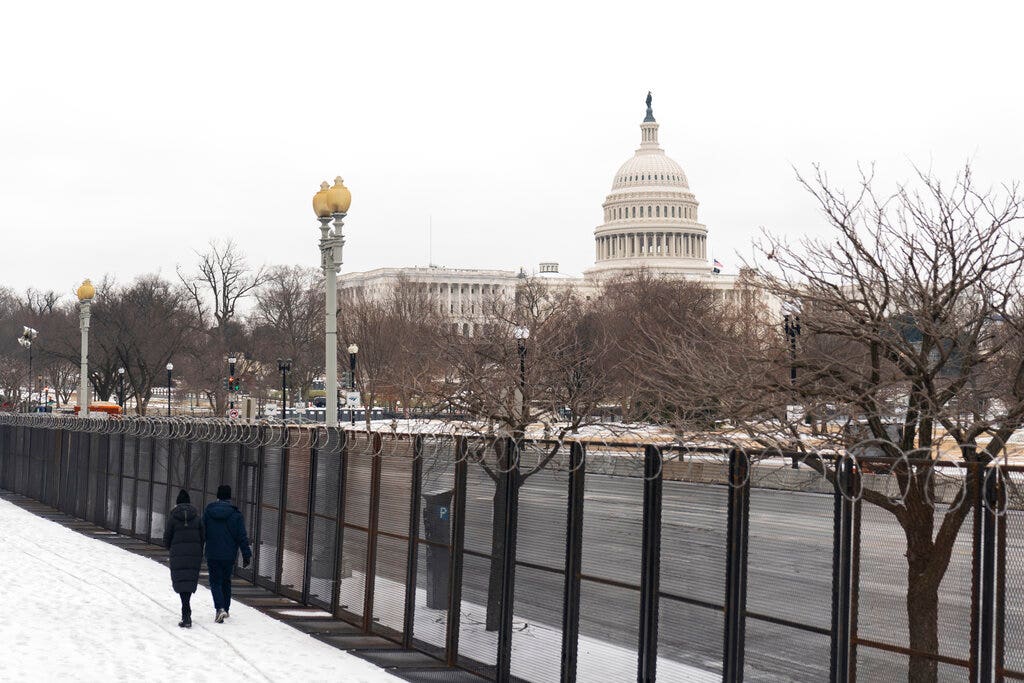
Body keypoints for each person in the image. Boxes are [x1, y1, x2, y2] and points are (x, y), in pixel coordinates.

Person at [203, 484, 252, 623]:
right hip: (229, 555)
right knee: (226, 581)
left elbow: (202, 532)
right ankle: (226, 608)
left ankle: (220, 608)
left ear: (217, 496)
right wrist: (246, 554)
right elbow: (242, 536)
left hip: (212, 553)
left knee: (215, 582)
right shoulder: (236, 515)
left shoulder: (208, 511)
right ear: (229, 497)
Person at [162, 489, 204, 628]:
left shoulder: (173, 518)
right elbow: (203, 536)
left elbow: (166, 539)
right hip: (194, 554)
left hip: (178, 554)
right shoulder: (197, 518)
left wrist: (171, 547)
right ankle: (186, 610)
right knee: (189, 580)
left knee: (181, 581)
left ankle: (186, 612)